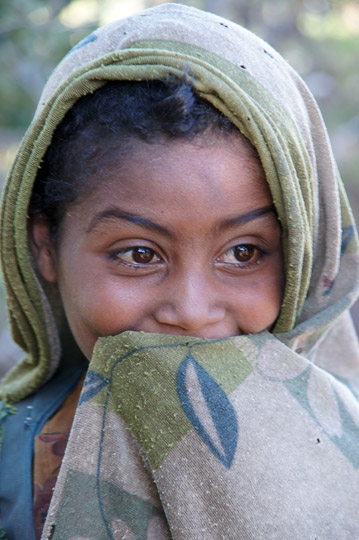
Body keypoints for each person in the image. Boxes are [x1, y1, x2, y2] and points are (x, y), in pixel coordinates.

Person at [0, 3, 359, 539]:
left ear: (304, 256)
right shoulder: (12, 466)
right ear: (46, 245)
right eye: (139, 254)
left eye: (243, 252)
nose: (192, 312)